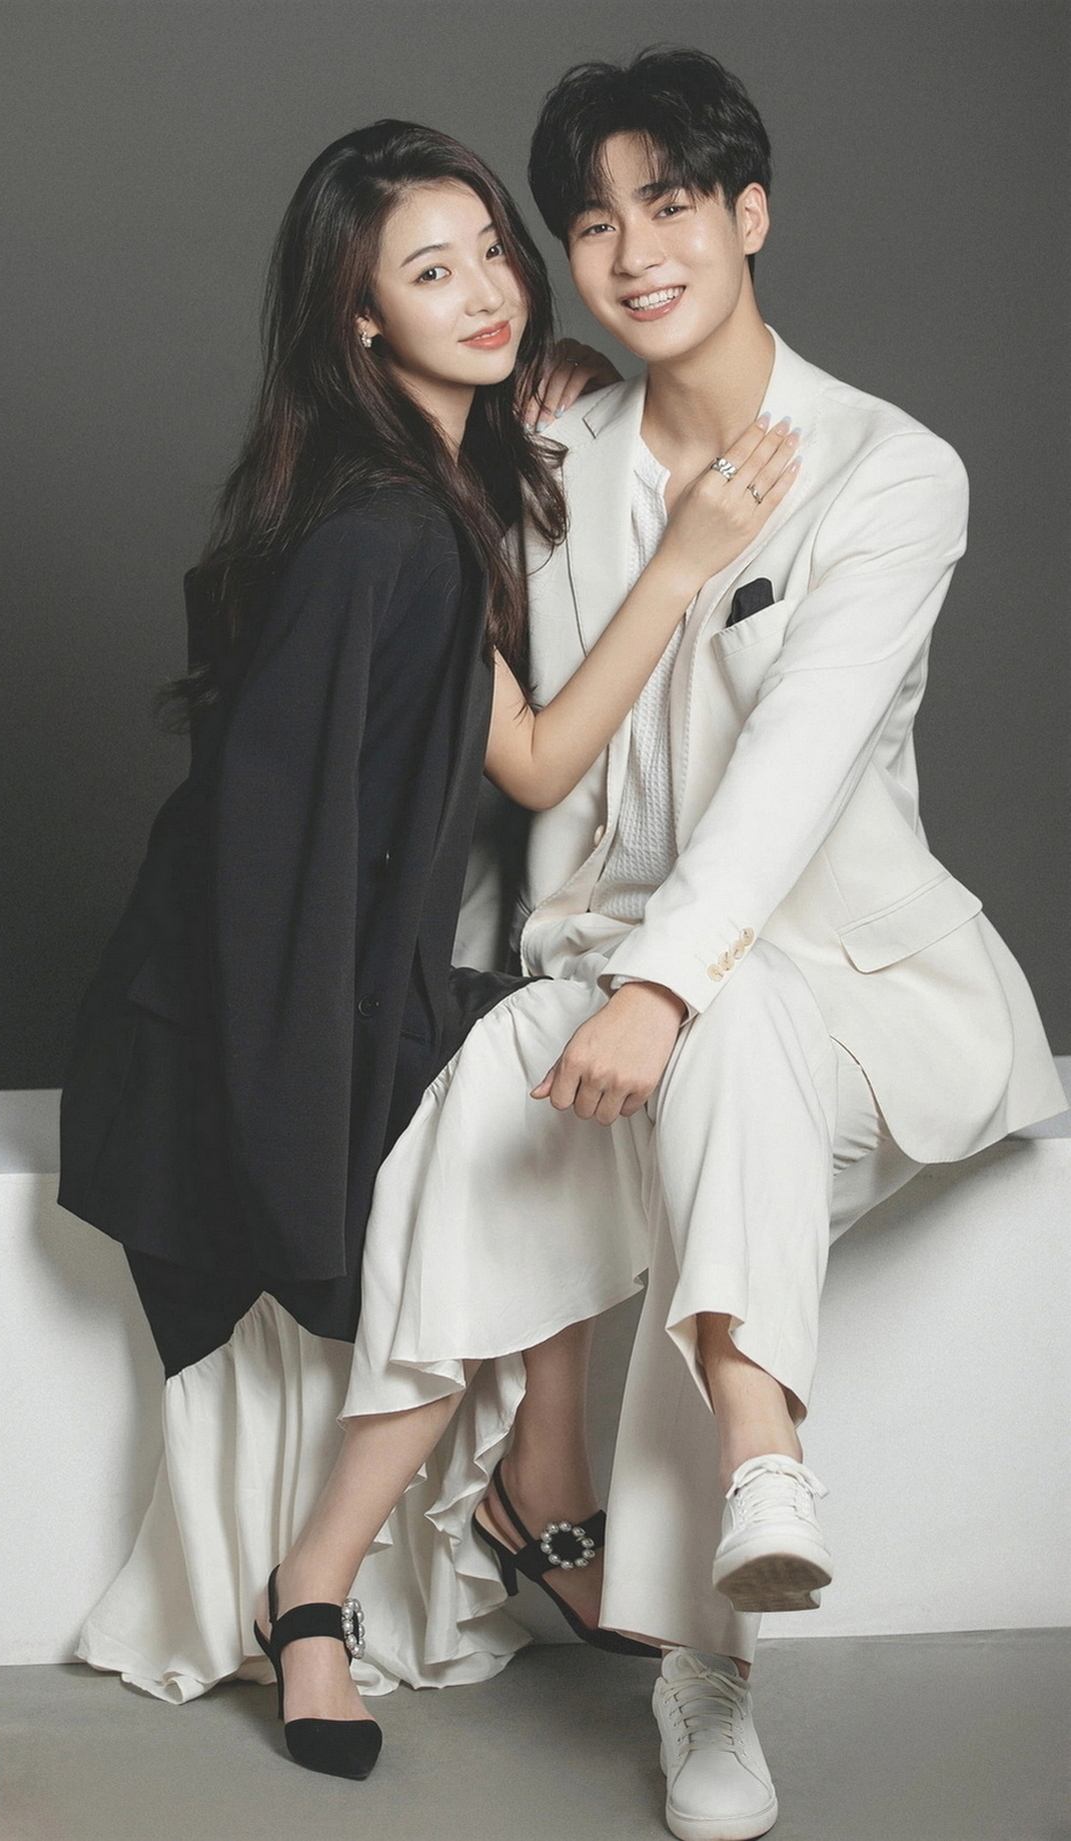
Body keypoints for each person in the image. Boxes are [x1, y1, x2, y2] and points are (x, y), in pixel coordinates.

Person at [262, 48, 1063, 1839]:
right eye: (594, 223)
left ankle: (711, 1658)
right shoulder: (547, 449)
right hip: (597, 970)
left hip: (846, 996)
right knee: (498, 1105)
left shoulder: (890, 472)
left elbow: (792, 773)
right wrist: (562, 984)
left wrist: (656, 985)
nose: (634, 254)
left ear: (750, 214)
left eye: (674, 204)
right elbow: (509, 749)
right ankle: (343, 1570)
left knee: (732, 1018)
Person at [57, 116, 795, 1778]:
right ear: (360, 318)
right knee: (519, 1116)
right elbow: (277, 851)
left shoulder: (429, 491)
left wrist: (618, 494)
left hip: (346, 964)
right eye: (431, 271)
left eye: (494, 255)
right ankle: (350, 1581)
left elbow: (522, 756)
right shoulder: (381, 527)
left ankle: (531, 1488)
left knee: (562, 1065)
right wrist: (685, 559)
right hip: (262, 1001)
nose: (487, 293)